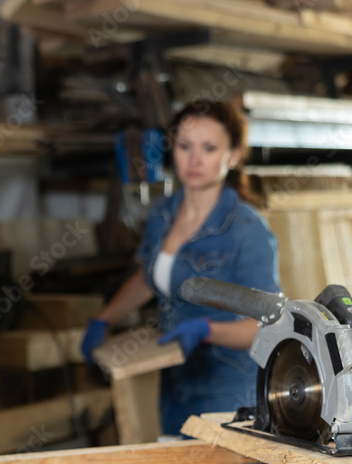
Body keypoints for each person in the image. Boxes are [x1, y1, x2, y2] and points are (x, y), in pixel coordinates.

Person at [80, 100, 279, 436]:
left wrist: (207, 330)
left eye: (209, 148)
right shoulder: (162, 215)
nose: (194, 159)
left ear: (232, 156)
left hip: (228, 387)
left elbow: (267, 327)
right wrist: (105, 318)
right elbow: (150, 277)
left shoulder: (247, 230)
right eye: (185, 146)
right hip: (173, 379)